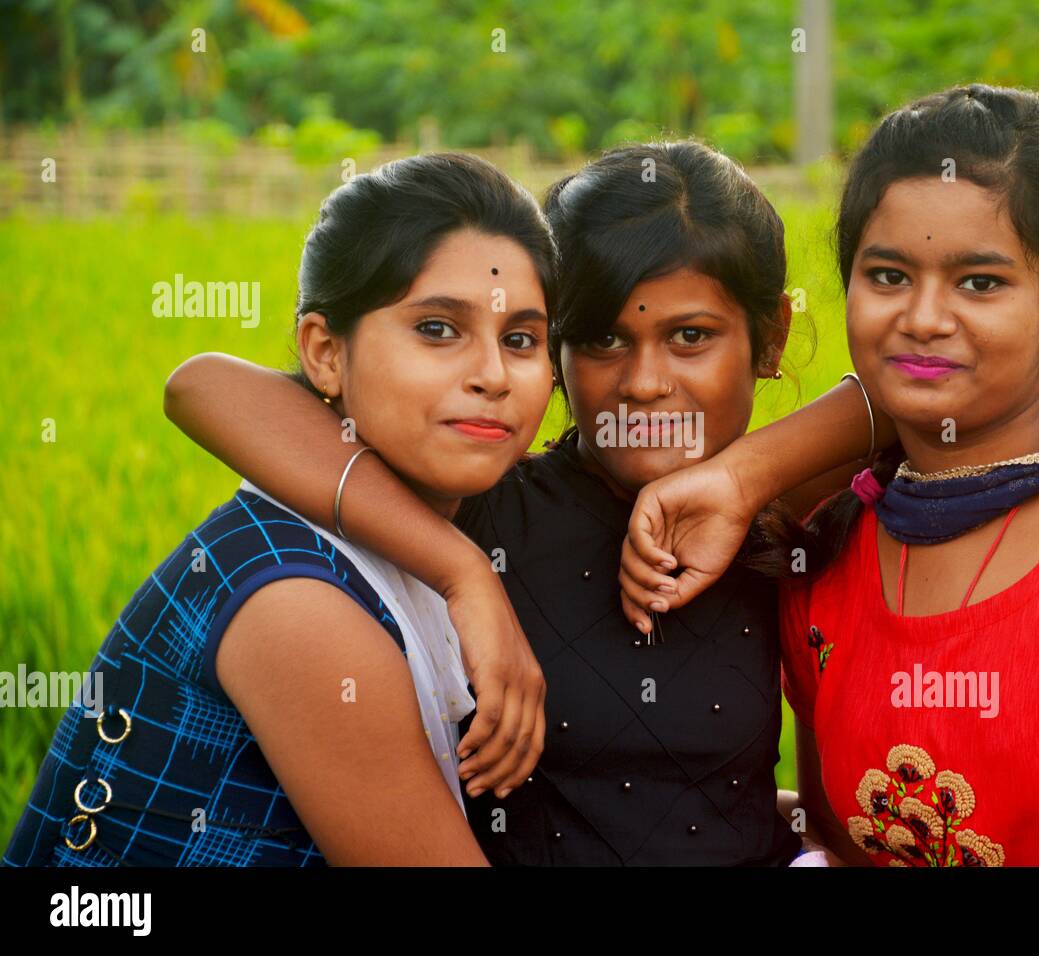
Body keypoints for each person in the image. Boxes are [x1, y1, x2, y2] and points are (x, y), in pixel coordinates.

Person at [619, 86, 1039, 866]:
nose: (924, 318)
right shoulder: (833, 542)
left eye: (979, 282)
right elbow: (833, 841)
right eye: (887, 276)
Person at [160, 141, 895, 864]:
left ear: (771, 339)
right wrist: (462, 571)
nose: (643, 382)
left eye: (691, 337)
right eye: (602, 337)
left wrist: (746, 477)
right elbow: (205, 388)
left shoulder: (769, 508)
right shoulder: (481, 513)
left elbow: (929, 393)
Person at [4, 152, 550, 867]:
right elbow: (198, 383)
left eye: (521, 340)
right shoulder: (301, 605)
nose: (492, 375)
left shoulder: (462, 516)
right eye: (437, 329)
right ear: (325, 352)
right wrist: (466, 573)